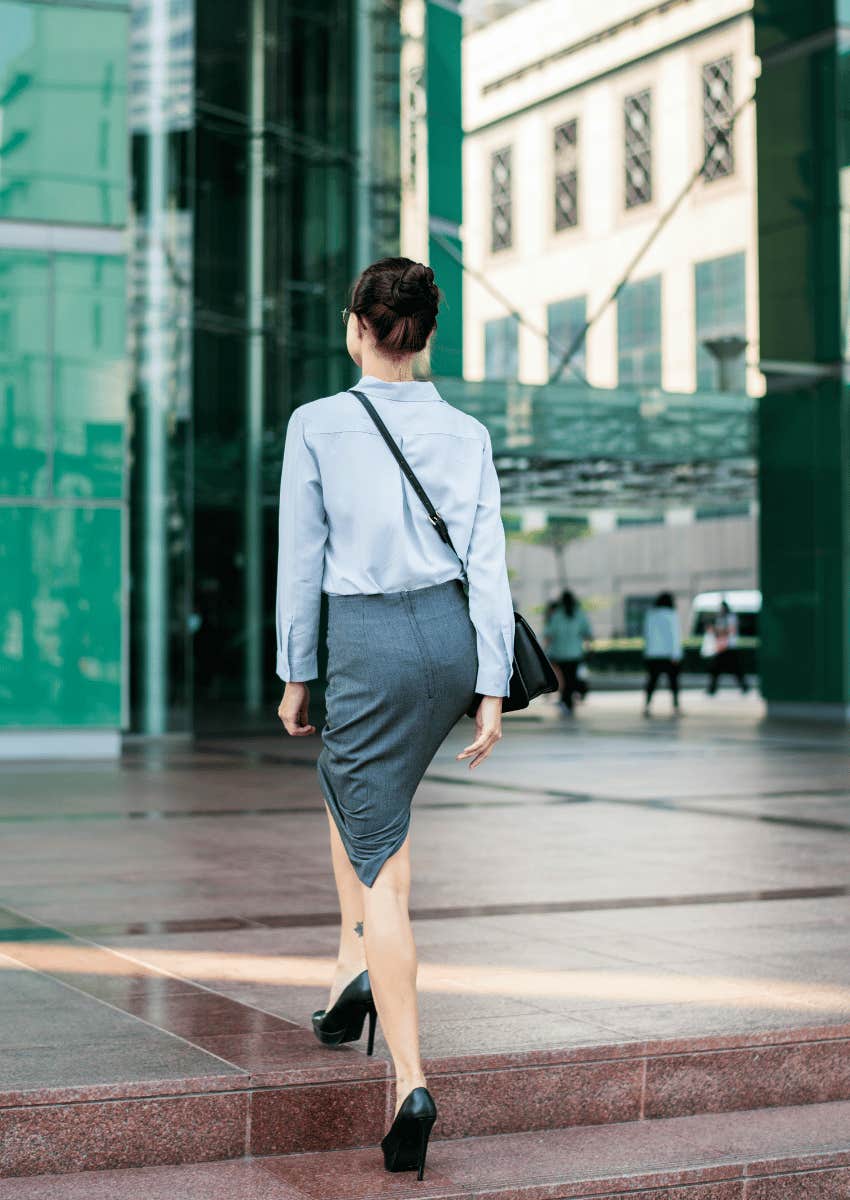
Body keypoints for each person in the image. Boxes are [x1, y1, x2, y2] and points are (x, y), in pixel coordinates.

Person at [275, 257, 514, 1181]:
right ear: (425, 334)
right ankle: (347, 972)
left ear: (356, 327)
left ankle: (410, 1078)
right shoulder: (467, 433)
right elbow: (488, 567)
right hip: (451, 641)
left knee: (383, 868)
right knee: (362, 795)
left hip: (368, 645)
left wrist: (298, 673)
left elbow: (305, 560)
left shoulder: (317, 424)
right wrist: (489, 688)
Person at [543, 590, 593, 713]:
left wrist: (543, 650)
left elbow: (549, 635)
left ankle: (566, 701)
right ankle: (568, 701)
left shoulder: (556, 616)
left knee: (564, 679)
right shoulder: (580, 615)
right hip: (575, 653)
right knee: (571, 678)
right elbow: (587, 634)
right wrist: (590, 648)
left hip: (559, 653)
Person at [643, 591, 682, 716]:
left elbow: (647, 635)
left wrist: (647, 653)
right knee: (673, 682)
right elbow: (674, 636)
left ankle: (647, 706)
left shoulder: (650, 615)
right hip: (668, 655)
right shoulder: (672, 615)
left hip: (653, 654)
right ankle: (676, 707)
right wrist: (676, 654)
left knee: (652, 682)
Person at [706, 599, 749, 695]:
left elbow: (730, 630)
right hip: (721, 648)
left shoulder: (731, 617)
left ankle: (744, 687)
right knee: (715, 670)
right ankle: (711, 689)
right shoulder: (720, 618)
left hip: (730, 647)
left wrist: (717, 631)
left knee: (736, 669)